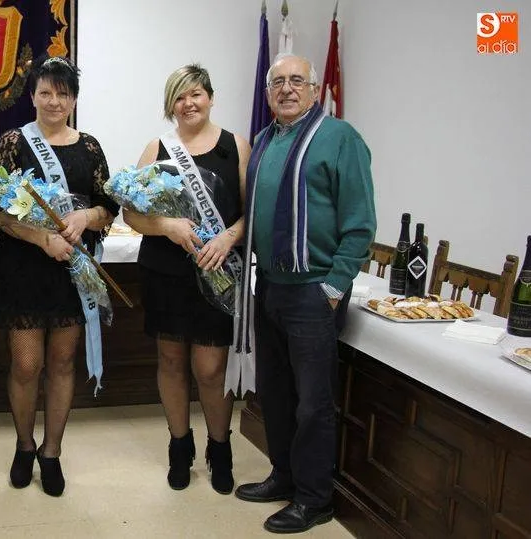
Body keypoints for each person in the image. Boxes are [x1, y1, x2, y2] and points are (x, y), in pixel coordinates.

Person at [233, 53, 376, 534]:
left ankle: (315, 499)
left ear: (316, 90)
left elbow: (360, 225)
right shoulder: (265, 140)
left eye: (297, 80)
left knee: (313, 402)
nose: (287, 88)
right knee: (273, 392)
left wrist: (334, 287)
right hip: (270, 285)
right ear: (268, 91)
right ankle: (285, 476)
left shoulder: (340, 139)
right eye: (278, 82)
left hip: (313, 292)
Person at [0, 55, 118, 497]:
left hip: (71, 275)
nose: (54, 101)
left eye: (63, 93)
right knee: (26, 365)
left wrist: (86, 217)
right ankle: (24, 445)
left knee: (62, 364)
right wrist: (41, 238)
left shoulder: (90, 147)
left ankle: (52, 451)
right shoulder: (12, 143)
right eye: (46, 92)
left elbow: (109, 208)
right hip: (23, 269)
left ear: (74, 98)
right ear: (33, 95)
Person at [124, 64, 250, 494]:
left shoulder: (237, 146)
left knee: (211, 368)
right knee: (172, 361)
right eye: (179, 97)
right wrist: (167, 227)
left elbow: (253, 213)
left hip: (218, 272)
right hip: (166, 271)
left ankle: (220, 446)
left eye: (196, 94)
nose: (188, 103)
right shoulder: (157, 148)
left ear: (210, 98)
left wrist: (230, 237)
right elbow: (130, 212)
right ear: (169, 106)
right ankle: (180, 446)